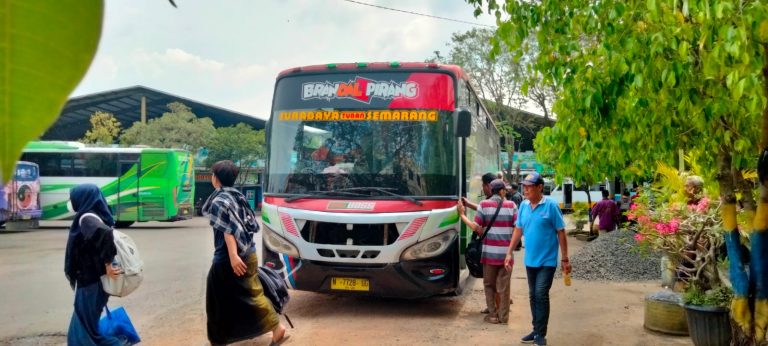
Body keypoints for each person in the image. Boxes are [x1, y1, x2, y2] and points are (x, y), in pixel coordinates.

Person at [202, 160, 288, 346]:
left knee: (217, 298)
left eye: (212, 174)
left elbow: (228, 230)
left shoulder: (220, 200)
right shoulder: (237, 196)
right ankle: (273, 328)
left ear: (216, 178)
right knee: (251, 294)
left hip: (229, 257)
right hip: (249, 253)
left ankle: (219, 339)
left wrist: (233, 256)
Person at [505, 172, 570, 346]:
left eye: (529, 186)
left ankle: (541, 333)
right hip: (530, 260)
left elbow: (561, 232)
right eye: (524, 186)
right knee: (533, 296)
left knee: (541, 294)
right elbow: (518, 230)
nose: (525, 189)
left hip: (547, 261)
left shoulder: (551, 206)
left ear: (540, 187)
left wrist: (564, 259)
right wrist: (509, 251)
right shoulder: (524, 206)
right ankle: (535, 329)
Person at [64, 184, 125, 345]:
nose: (70, 202)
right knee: (86, 329)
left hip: (91, 282)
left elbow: (105, 235)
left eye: (72, 198)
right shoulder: (97, 214)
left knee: (84, 333)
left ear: (82, 198)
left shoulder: (87, 218)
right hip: (94, 281)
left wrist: (107, 263)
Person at [457, 179, 517, 324]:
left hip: (489, 254)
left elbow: (476, 228)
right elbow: (517, 228)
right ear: (502, 191)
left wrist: (462, 215)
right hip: (506, 255)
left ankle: (493, 316)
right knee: (504, 287)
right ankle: (504, 318)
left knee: (489, 285)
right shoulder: (512, 205)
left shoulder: (484, 205)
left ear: (491, 190)